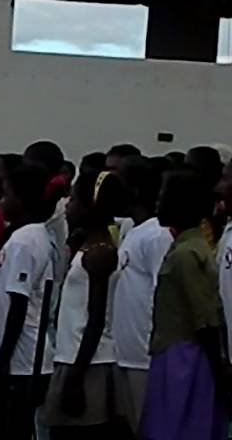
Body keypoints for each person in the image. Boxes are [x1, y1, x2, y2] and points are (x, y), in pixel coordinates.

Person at [140, 169, 225, 440]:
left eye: (164, 197)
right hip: (174, 350)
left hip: (184, 355)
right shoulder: (183, 246)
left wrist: (219, 372)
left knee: (178, 428)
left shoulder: (188, 254)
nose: (158, 203)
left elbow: (205, 316)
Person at [0, 163, 57, 440]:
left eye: (6, 195)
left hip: (18, 363)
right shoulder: (28, 235)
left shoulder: (24, 241)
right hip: (14, 361)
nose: (1, 202)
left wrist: (1, 363)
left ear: (21, 199)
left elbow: (18, 305)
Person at [43, 172, 119, 439]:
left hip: (86, 361)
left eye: (74, 200)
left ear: (90, 207)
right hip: (70, 355)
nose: (67, 205)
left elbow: (96, 318)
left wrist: (76, 375)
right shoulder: (86, 246)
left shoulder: (99, 253)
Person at [109, 155, 169, 434]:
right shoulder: (133, 230)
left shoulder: (157, 234)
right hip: (125, 352)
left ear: (133, 190)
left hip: (145, 356)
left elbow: (163, 293)